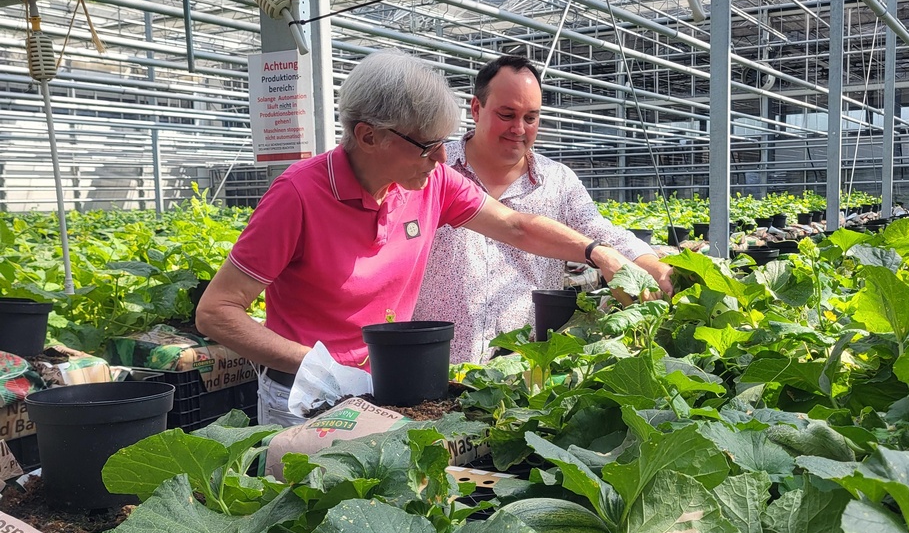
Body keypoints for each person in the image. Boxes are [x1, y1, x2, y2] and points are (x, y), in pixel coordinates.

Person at [195, 51, 661, 426]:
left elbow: (516, 225)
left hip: (384, 386)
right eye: (426, 144)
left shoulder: (432, 183)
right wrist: (326, 370)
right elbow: (216, 312)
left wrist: (596, 251)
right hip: (304, 395)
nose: (442, 157)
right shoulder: (298, 194)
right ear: (368, 136)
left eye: (444, 141)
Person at [413, 55, 672, 363]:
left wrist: (656, 269)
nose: (519, 129)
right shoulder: (431, 169)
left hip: (525, 375)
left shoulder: (557, 181)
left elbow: (601, 231)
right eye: (507, 114)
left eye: (531, 117)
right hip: (431, 364)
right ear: (476, 109)